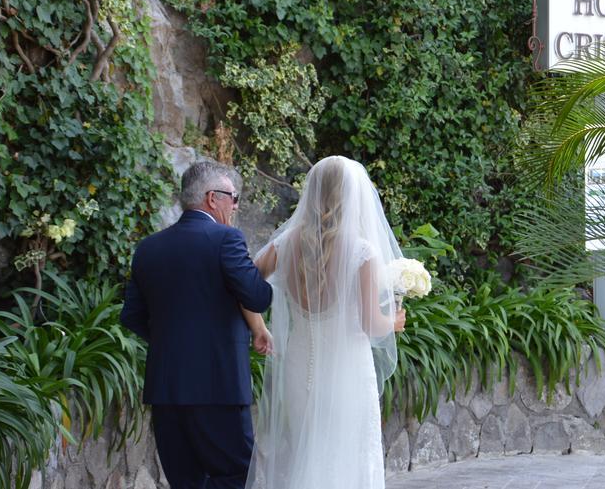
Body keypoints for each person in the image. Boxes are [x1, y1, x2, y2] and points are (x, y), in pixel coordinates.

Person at [243, 156, 406, 489]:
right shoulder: (361, 252)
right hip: (346, 374)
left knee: (309, 454)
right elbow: (371, 324)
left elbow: (245, 283)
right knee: (346, 458)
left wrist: (258, 327)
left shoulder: (286, 243)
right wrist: (394, 322)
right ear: (350, 196)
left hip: (299, 370)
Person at [121, 161, 273, 489]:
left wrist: (173, 342)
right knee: (236, 475)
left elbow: (132, 315)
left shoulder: (148, 248)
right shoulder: (226, 239)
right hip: (218, 388)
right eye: (233, 198)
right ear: (211, 198)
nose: (236, 205)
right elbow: (258, 297)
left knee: (185, 482)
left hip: (166, 390)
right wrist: (264, 269)